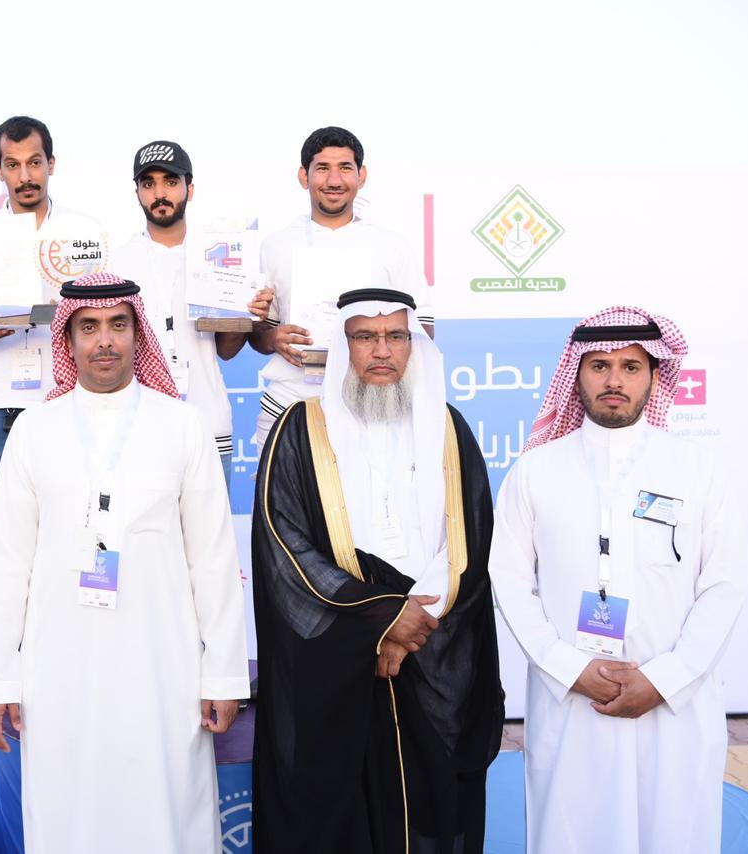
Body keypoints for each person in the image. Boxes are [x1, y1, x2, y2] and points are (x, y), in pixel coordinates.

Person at [0, 272, 250, 853]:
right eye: (89, 327)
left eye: (118, 325)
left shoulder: (182, 425)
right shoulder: (33, 430)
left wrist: (222, 674)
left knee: (163, 809)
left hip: (163, 667)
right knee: (69, 812)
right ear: (67, 340)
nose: (104, 340)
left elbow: (214, 561)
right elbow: (6, 567)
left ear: (137, 333)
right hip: (57, 670)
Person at [251, 288, 504, 854]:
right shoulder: (300, 427)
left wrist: (415, 621)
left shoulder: (449, 428)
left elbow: (472, 537)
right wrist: (379, 618)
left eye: (395, 336)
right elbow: (282, 541)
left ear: (413, 345)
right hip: (338, 653)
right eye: (364, 337)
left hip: (432, 643)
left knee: (429, 804)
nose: (381, 350)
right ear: (344, 347)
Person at [487, 306, 746, 854]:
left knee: (673, 834)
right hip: (573, 700)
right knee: (574, 833)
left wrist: (667, 678)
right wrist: (569, 668)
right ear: (576, 374)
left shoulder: (696, 468)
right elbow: (508, 579)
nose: (614, 381)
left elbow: (724, 584)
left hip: (674, 703)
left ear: (654, 376)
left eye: (631, 367)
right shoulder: (536, 470)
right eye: (599, 365)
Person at [248, 126, 433, 449]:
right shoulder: (275, 246)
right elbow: (261, 334)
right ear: (303, 176)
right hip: (289, 402)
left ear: (361, 176)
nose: (334, 180)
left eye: (345, 168)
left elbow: (424, 330)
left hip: (369, 407)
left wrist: (376, 341)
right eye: (322, 168)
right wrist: (272, 338)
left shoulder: (392, 246)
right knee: (276, 484)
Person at [0, 115, 90, 512]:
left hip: (71, 399)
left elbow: (107, 314)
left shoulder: (84, 232)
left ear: (51, 164)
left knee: (73, 518)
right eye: (13, 164)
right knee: (2, 522)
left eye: (34, 162)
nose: (25, 176)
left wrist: (76, 315)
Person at [111, 139, 269, 489]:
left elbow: (226, 350)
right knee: (143, 525)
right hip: (138, 428)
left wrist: (245, 316)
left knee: (210, 527)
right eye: (148, 184)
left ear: (190, 189)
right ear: (137, 193)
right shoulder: (117, 263)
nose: (159, 193)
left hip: (207, 422)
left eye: (170, 182)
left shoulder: (218, 255)